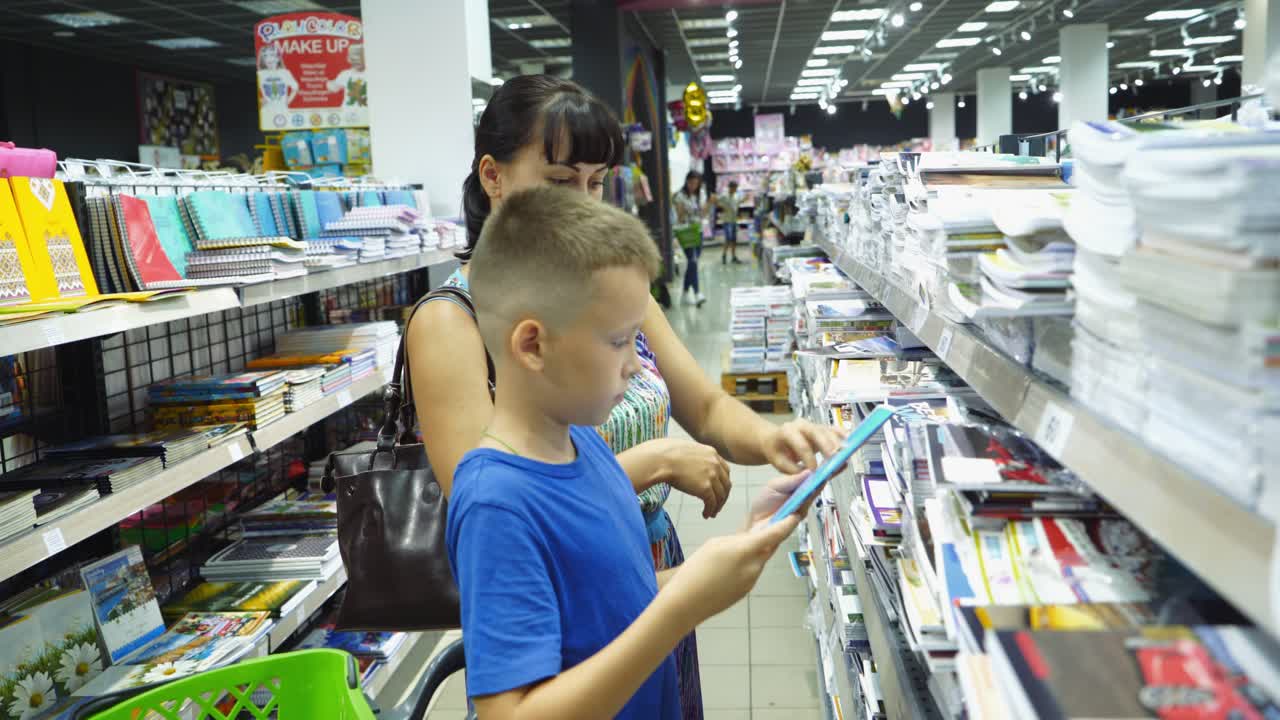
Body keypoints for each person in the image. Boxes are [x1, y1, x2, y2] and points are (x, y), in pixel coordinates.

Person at [406, 74, 843, 720]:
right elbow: (507, 502)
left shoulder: (603, 309)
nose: (585, 204)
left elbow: (705, 407)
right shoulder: (455, 328)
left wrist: (772, 443)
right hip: (558, 611)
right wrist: (660, 467)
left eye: (596, 183)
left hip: (633, 576)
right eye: (561, 180)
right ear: (493, 176)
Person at [449, 185, 813, 719]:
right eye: (619, 341)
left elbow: (615, 602)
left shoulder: (584, 447)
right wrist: (678, 610)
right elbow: (510, 713)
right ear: (533, 345)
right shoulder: (496, 506)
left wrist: (737, 550)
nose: (637, 365)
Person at [672, 171, 706, 306]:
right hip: (685, 232)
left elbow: (703, 214)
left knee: (693, 262)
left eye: (696, 183)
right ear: (687, 181)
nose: (693, 186)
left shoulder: (700, 194)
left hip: (698, 231)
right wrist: (682, 211)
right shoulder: (679, 196)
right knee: (693, 260)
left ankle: (685, 291)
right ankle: (697, 293)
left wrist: (709, 204)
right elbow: (679, 218)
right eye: (691, 183)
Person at [715, 180, 742, 264]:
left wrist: (744, 200)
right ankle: (724, 255)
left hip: (734, 221)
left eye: (736, 188)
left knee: (734, 240)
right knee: (728, 239)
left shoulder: (736, 196)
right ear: (730, 187)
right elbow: (716, 201)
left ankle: (733, 257)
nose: (735, 189)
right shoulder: (724, 196)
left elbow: (737, 203)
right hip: (727, 221)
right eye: (734, 188)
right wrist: (722, 208)